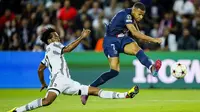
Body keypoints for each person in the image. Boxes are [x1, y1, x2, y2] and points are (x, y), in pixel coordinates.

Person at [8, 27, 139, 112]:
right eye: (55, 36)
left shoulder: (48, 54)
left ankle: (126, 95)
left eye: (57, 35)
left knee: (93, 91)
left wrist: (43, 83)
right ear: (49, 40)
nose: (57, 37)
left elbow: (40, 69)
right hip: (59, 80)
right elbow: (68, 49)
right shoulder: (54, 46)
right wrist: (82, 37)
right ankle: (17, 110)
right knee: (47, 101)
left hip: (68, 82)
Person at [81, 2, 162, 105]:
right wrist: (154, 39)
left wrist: (147, 40)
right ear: (133, 10)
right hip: (110, 41)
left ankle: (151, 67)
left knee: (136, 48)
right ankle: (87, 90)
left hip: (122, 38)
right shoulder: (126, 15)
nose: (141, 17)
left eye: (142, 15)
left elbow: (137, 33)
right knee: (114, 71)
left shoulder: (132, 16)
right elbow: (135, 33)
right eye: (139, 14)